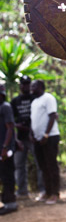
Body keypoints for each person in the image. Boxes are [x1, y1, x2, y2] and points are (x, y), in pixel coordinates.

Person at [11, 75, 44, 198]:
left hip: (34, 137)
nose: (26, 86)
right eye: (23, 84)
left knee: (40, 163)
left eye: (28, 84)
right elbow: (11, 122)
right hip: (20, 138)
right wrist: (17, 130)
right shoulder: (14, 101)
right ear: (20, 85)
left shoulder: (35, 98)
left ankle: (43, 190)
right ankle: (22, 191)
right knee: (19, 165)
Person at [30, 80, 60, 205]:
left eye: (34, 86)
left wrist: (46, 134)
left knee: (51, 165)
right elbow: (34, 120)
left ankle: (55, 193)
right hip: (38, 139)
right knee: (43, 166)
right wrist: (32, 134)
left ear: (41, 87)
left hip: (50, 137)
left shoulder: (48, 98)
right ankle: (47, 192)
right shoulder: (34, 102)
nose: (31, 88)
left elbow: (52, 116)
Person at [0, 84, 17, 215]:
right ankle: (6, 202)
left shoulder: (5, 107)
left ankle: (11, 203)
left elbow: (10, 128)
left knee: (7, 175)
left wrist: (5, 147)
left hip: (5, 149)